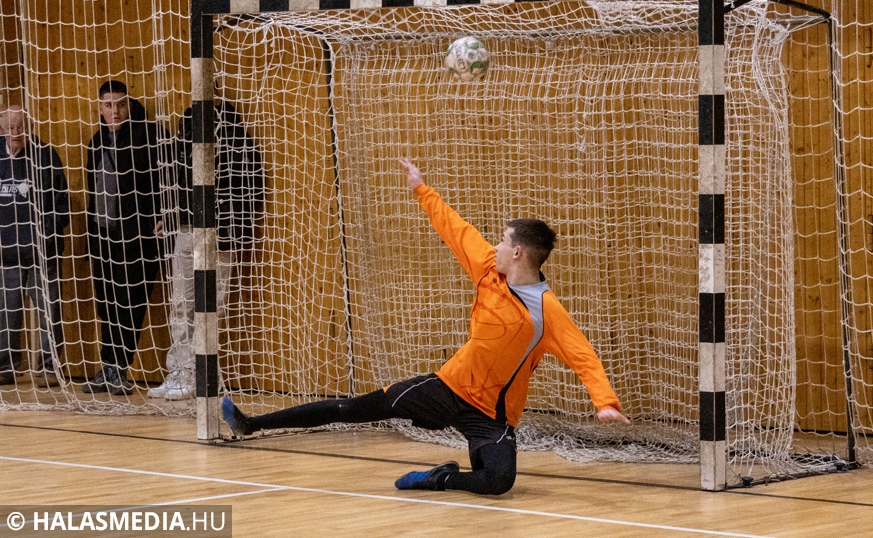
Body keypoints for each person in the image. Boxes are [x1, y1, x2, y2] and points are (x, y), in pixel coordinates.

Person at [222, 157, 629, 495]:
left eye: (504, 241)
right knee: (353, 408)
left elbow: (583, 356)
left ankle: (440, 478)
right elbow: (455, 229)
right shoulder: (488, 268)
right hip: (447, 387)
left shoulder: (546, 310)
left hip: (492, 413)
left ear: (519, 252)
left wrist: (605, 402)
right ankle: (251, 424)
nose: (496, 245)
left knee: (498, 481)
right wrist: (421, 188)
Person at [148, 101, 264, 400]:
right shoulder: (185, 134)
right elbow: (174, 181)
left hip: (219, 234)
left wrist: (234, 227)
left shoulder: (236, 139)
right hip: (187, 229)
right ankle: (180, 371)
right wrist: (167, 217)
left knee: (209, 307)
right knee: (180, 303)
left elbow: (253, 188)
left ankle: (202, 373)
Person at [83, 81, 165, 396]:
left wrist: (163, 216)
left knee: (130, 303)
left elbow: (167, 180)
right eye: (108, 105)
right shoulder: (96, 142)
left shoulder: (149, 136)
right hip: (103, 236)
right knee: (107, 304)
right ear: (100, 108)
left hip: (139, 238)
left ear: (129, 105)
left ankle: (119, 368)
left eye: (120, 104)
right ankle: (108, 367)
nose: (114, 111)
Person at [0, 106, 70, 386]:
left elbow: (62, 205)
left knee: (49, 312)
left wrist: (45, 235)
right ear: (2, 129)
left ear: (29, 128)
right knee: (7, 313)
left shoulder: (45, 155)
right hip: (6, 254)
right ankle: (6, 366)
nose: (16, 133)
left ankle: (50, 368)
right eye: (11, 127)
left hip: (43, 252)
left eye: (22, 127)